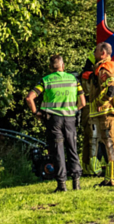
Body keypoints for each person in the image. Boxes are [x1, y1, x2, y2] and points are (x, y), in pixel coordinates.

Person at [25, 55, 86, 192]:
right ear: (63, 66)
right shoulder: (73, 79)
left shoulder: (46, 80)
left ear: (50, 67)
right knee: (72, 149)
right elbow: (82, 102)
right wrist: (73, 110)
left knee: (58, 151)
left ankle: (61, 185)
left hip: (53, 120)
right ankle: (76, 183)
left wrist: (36, 113)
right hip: (70, 119)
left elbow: (30, 98)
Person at [91, 42, 114, 187]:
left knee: (110, 145)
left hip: (108, 112)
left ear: (103, 53)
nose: (94, 54)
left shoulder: (104, 68)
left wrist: (100, 101)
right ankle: (111, 177)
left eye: (96, 51)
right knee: (113, 145)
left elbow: (111, 88)